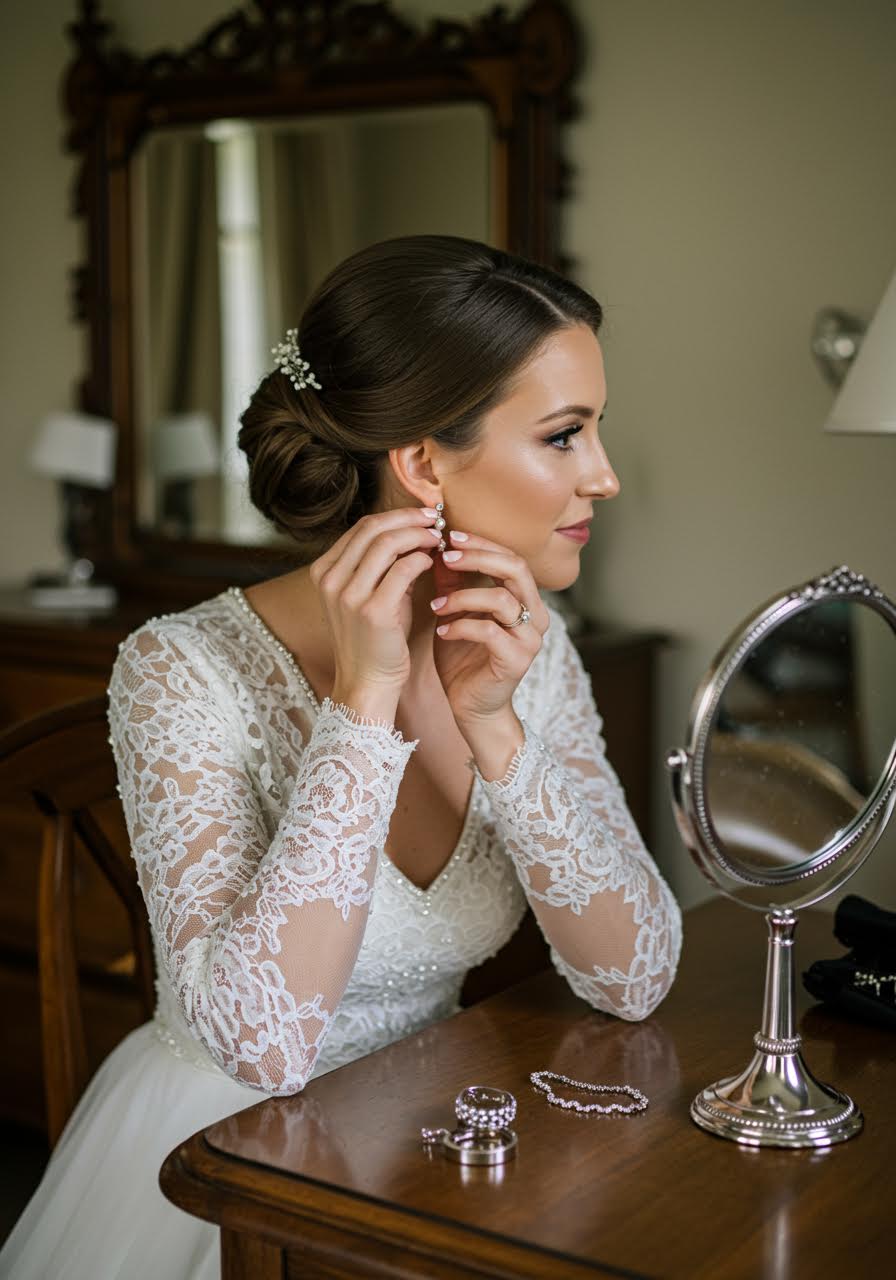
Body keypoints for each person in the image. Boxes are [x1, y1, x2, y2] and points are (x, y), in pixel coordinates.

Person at [0, 234, 682, 1278]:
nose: (604, 473)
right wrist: (362, 707)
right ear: (419, 463)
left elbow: (634, 977)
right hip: (229, 1168)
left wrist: (495, 724)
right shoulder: (178, 669)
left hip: (442, 1141)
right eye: (563, 434)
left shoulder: (527, 649)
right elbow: (260, 1048)